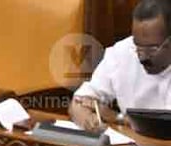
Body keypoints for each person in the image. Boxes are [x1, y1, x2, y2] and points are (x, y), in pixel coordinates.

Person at [71, 0, 171, 130]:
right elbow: (80, 101)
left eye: (151, 49)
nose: (142, 57)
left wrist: (116, 118)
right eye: (138, 46)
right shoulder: (122, 52)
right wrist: (90, 120)